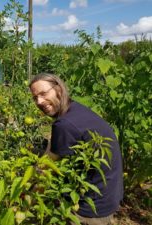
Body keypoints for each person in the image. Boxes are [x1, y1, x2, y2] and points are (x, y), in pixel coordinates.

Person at [29, 73, 123, 225]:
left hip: (91, 209)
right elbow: (52, 151)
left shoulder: (64, 125)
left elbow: (45, 169)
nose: (39, 101)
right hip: (110, 195)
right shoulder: (76, 109)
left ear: (58, 89)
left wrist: (26, 198)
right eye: (35, 97)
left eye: (43, 93)